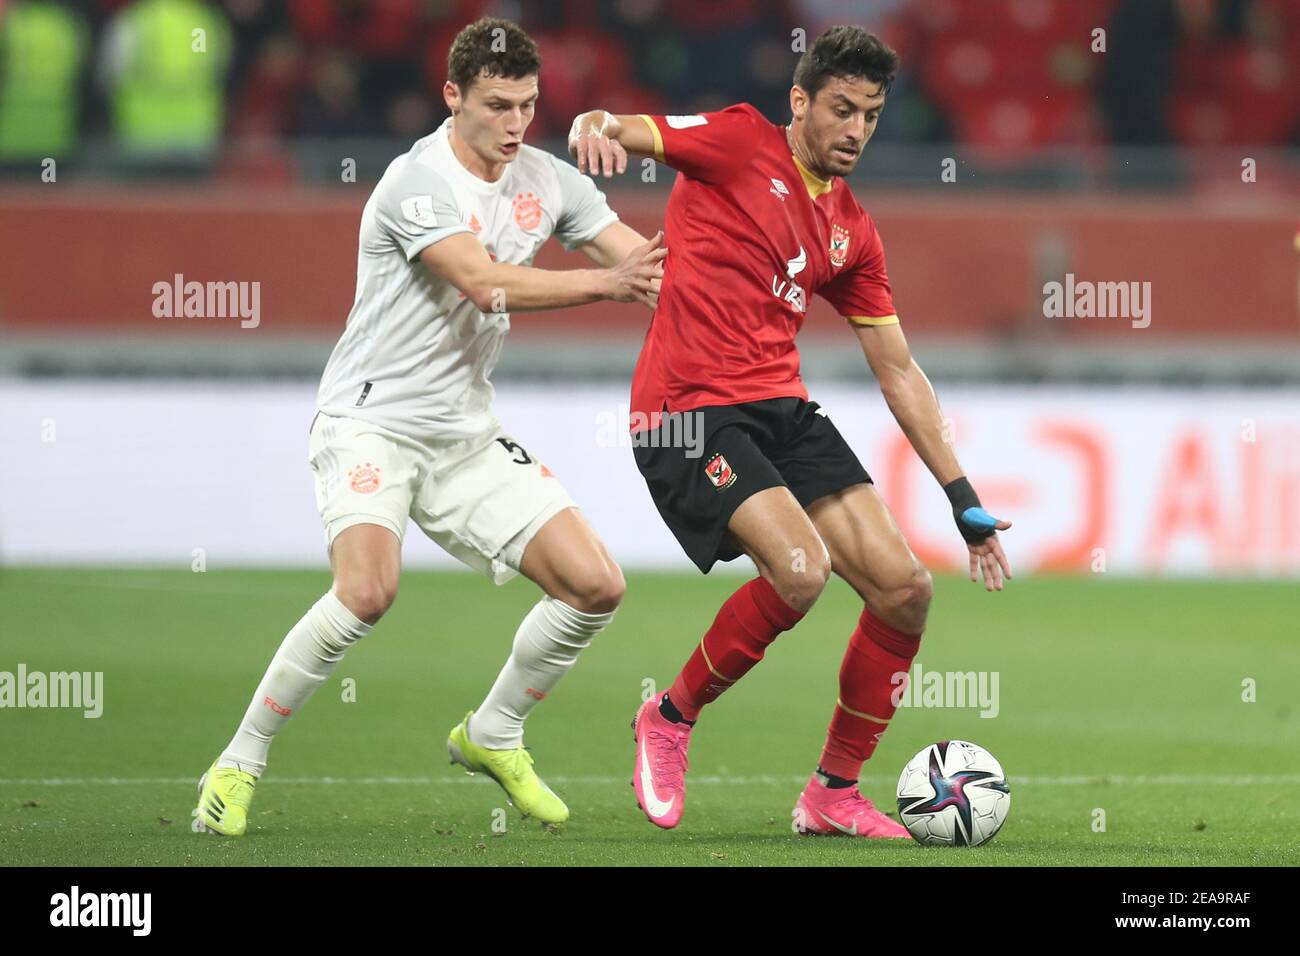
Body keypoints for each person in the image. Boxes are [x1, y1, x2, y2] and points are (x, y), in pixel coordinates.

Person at [195, 17, 665, 836]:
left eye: (527, 104)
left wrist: (745, 255)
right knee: (368, 591)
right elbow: (484, 282)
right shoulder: (416, 181)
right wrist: (608, 285)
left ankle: (494, 731)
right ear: (453, 96)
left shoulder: (549, 180)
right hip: (371, 421)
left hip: (464, 434)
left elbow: (649, 260)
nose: (515, 124)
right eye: (496, 105)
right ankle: (239, 760)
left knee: (596, 585)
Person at [567, 25, 1012, 836]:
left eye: (872, 115)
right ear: (800, 100)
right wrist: (590, 125)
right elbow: (625, 128)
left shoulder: (853, 229)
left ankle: (832, 794)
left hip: (778, 409)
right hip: (684, 411)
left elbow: (899, 371)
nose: (856, 131)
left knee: (905, 590)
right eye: (842, 109)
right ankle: (668, 716)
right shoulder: (738, 140)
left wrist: (963, 496)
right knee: (800, 570)